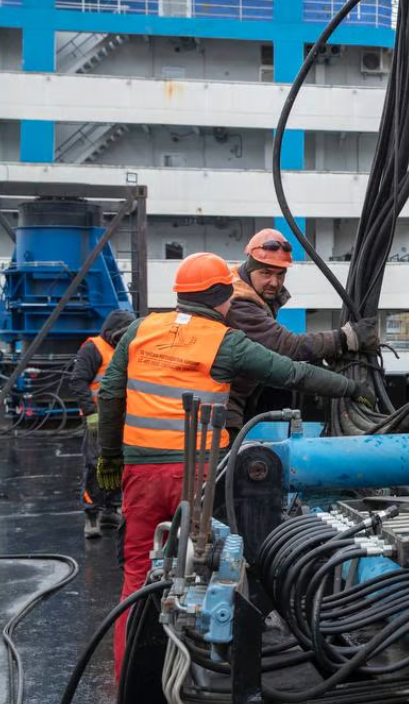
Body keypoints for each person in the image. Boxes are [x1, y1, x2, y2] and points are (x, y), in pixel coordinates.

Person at [95, 252, 372, 679]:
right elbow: (294, 373)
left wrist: (110, 458)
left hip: (141, 475)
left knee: (138, 578)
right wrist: (352, 388)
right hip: (203, 475)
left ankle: (129, 681)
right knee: (214, 571)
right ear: (223, 297)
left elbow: (110, 395)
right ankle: (204, 673)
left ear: (180, 295)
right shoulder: (225, 340)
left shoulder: (140, 329)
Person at [225, 228, 380, 434]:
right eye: (266, 273)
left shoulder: (246, 290)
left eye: (280, 274)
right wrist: (347, 338)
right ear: (250, 268)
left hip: (231, 403)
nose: (274, 282)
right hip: (222, 408)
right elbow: (286, 346)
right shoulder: (240, 303)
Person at [68, 309, 136, 539]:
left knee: (119, 462)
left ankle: (112, 508)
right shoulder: (93, 348)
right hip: (98, 419)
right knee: (95, 465)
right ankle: (92, 514)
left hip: (122, 418)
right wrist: (91, 413)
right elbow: (78, 381)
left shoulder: (128, 348)